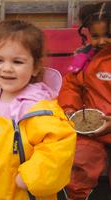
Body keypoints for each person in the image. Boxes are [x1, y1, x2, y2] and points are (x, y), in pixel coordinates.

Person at [0, 20, 76, 200]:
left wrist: (31, 177)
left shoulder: (38, 108)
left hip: (21, 193)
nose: (7, 68)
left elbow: (60, 144)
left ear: (35, 67)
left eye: (17, 62)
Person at [58, 2, 111, 199]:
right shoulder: (85, 59)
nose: (102, 41)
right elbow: (71, 86)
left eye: (108, 35)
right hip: (90, 127)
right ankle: (77, 196)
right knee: (80, 159)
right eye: (95, 36)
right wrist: (70, 110)